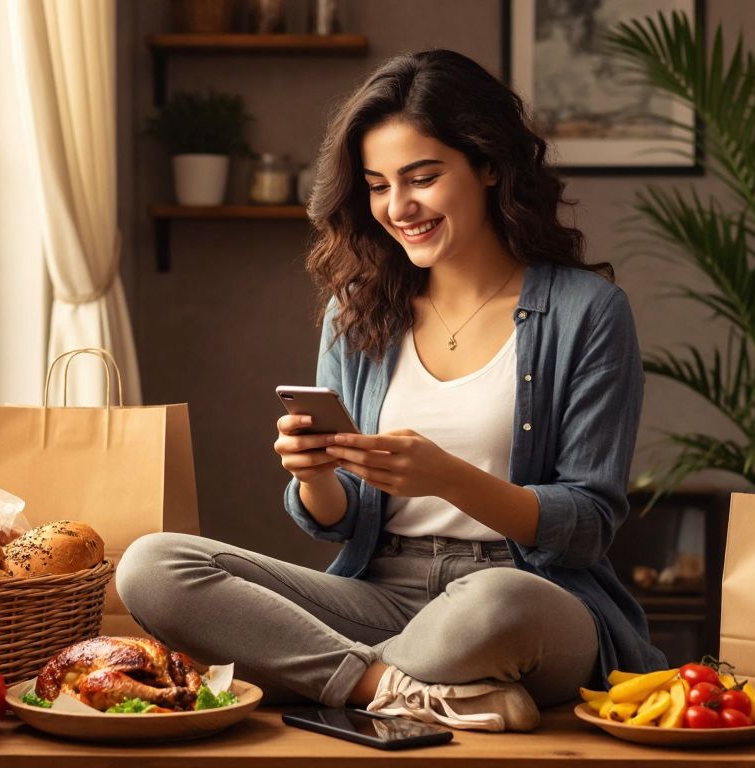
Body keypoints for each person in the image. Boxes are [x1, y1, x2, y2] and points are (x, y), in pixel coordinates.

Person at [116, 49, 665, 733]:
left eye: (422, 177)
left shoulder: (587, 311)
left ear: (490, 165)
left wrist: (448, 477)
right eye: (377, 185)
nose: (398, 207)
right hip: (379, 592)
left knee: (494, 605)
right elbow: (339, 519)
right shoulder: (359, 308)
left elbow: (587, 525)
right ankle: (398, 687)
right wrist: (314, 474)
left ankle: (329, 674)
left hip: (526, 597)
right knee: (153, 565)